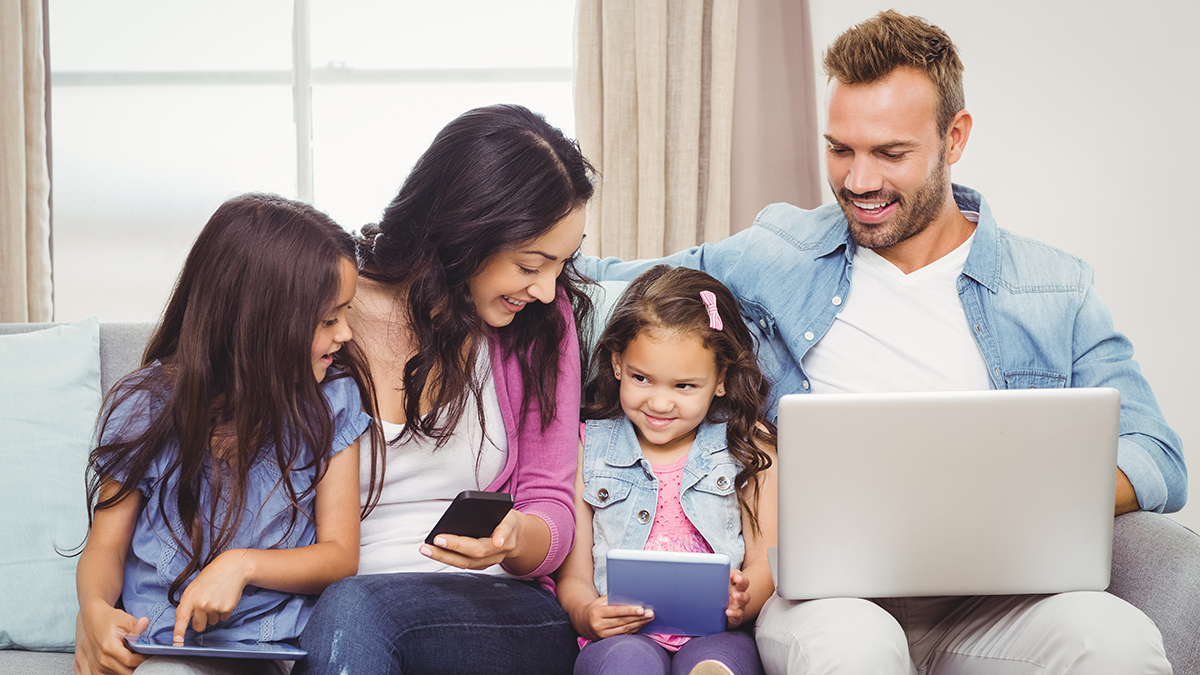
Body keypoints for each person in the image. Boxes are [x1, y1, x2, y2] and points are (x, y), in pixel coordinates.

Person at [575, 10, 1184, 675]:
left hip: (1000, 599)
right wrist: (508, 259)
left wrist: (1012, 495)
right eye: (840, 149)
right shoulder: (778, 252)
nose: (858, 181)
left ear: (955, 137)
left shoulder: (1053, 287)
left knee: (1116, 641)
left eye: (891, 154)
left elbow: (1155, 454)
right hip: (828, 599)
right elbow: (616, 283)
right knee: (854, 647)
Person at [293, 104, 596, 675]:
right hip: (333, 605)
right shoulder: (327, 318)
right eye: (530, 265)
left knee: (358, 608)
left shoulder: (539, 325)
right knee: (351, 608)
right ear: (467, 230)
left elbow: (552, 503)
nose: (546, 289)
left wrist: (514, 538)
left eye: (561, 264)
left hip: (497, 608)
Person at [74, 193, 377, 675]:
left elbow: (340, 556)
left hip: (266, 646)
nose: (346, 334)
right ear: (260, 324)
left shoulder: (332, 403)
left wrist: (242, 564)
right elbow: (104, 546)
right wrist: (94, 611)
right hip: (160, 641)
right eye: (328, 319)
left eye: (345, 314)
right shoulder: (144, 404)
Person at [556, 266, 777, 675]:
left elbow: (766, 563)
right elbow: (574, 577)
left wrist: (742, 603)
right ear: (617, 363)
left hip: (718, 632)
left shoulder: (749, 445)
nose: (659, 403)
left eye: (684, 386)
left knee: (718, 665)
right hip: (621, 637)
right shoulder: (588, 447)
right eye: (642, 378)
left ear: (721, 378)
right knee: (626, 664)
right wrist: (586, 613)